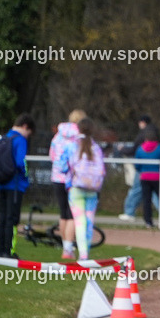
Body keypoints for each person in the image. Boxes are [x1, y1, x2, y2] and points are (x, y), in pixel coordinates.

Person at [59, 118, 105, 260]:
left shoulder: (72, 146)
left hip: (76, 189)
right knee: (89, 223)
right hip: (93, 190)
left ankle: (82, 255)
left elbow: (62, 167)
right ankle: (85, 255)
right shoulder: (96, 147)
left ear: (77, 129)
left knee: (79, 222)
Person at [0, 114, 35, 258]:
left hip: (1, 183)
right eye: (29, 133)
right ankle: (9, 251)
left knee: (2, 218)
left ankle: (0, 250)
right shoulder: (20, 140)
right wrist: (26, 176)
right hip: (15, 185)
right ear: (25, 127)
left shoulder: (4, 137)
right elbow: (20, 162)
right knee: (12, 219)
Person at [49, 109, 86, 258]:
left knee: (63, 213)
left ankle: (65, 244)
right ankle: (68, 248)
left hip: (57, 177)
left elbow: (51, 155)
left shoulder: (58, 136)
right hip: (72, 179)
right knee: (72, 215)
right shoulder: (79, 137)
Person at [135, 126, 160, 228]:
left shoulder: (140, 149)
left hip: (145, 177)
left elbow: (137, 164)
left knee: (146, 200)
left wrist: (142, 171)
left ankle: (148, 221)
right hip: (158, 177)